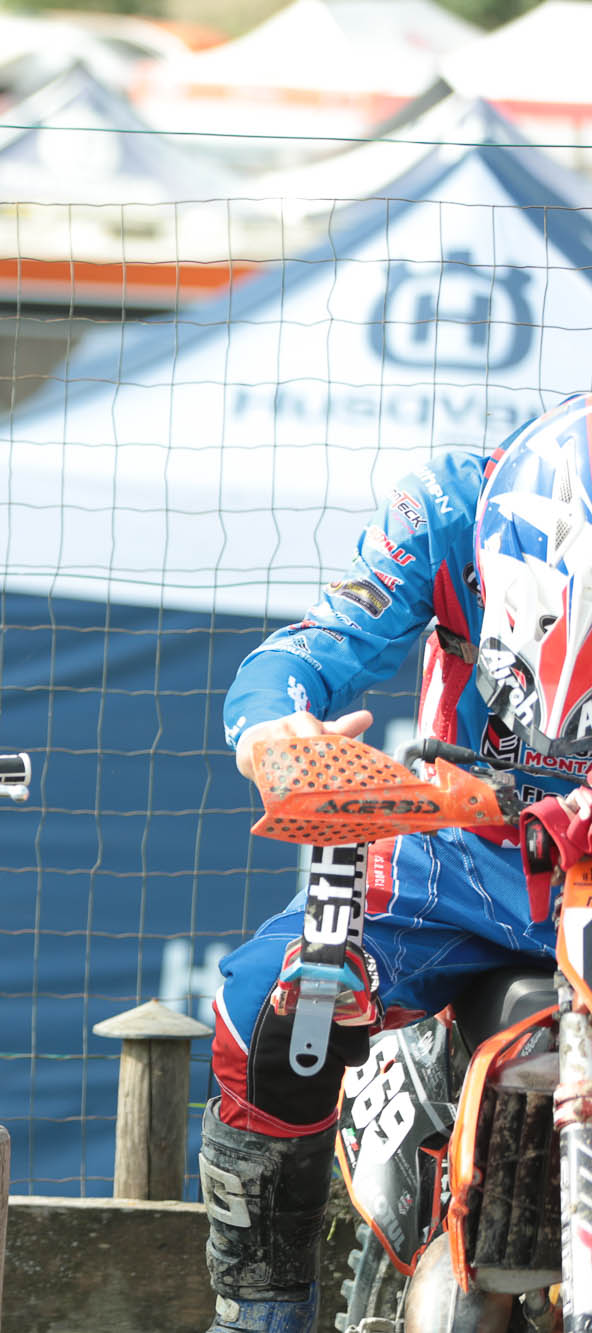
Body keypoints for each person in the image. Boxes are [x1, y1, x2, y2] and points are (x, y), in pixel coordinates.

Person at [207, 391, 592, 1331]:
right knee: (269, 1012)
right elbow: (307, 652)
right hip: (455, 862)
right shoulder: (447, 508)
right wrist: (277, 733)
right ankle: (259, 1314)